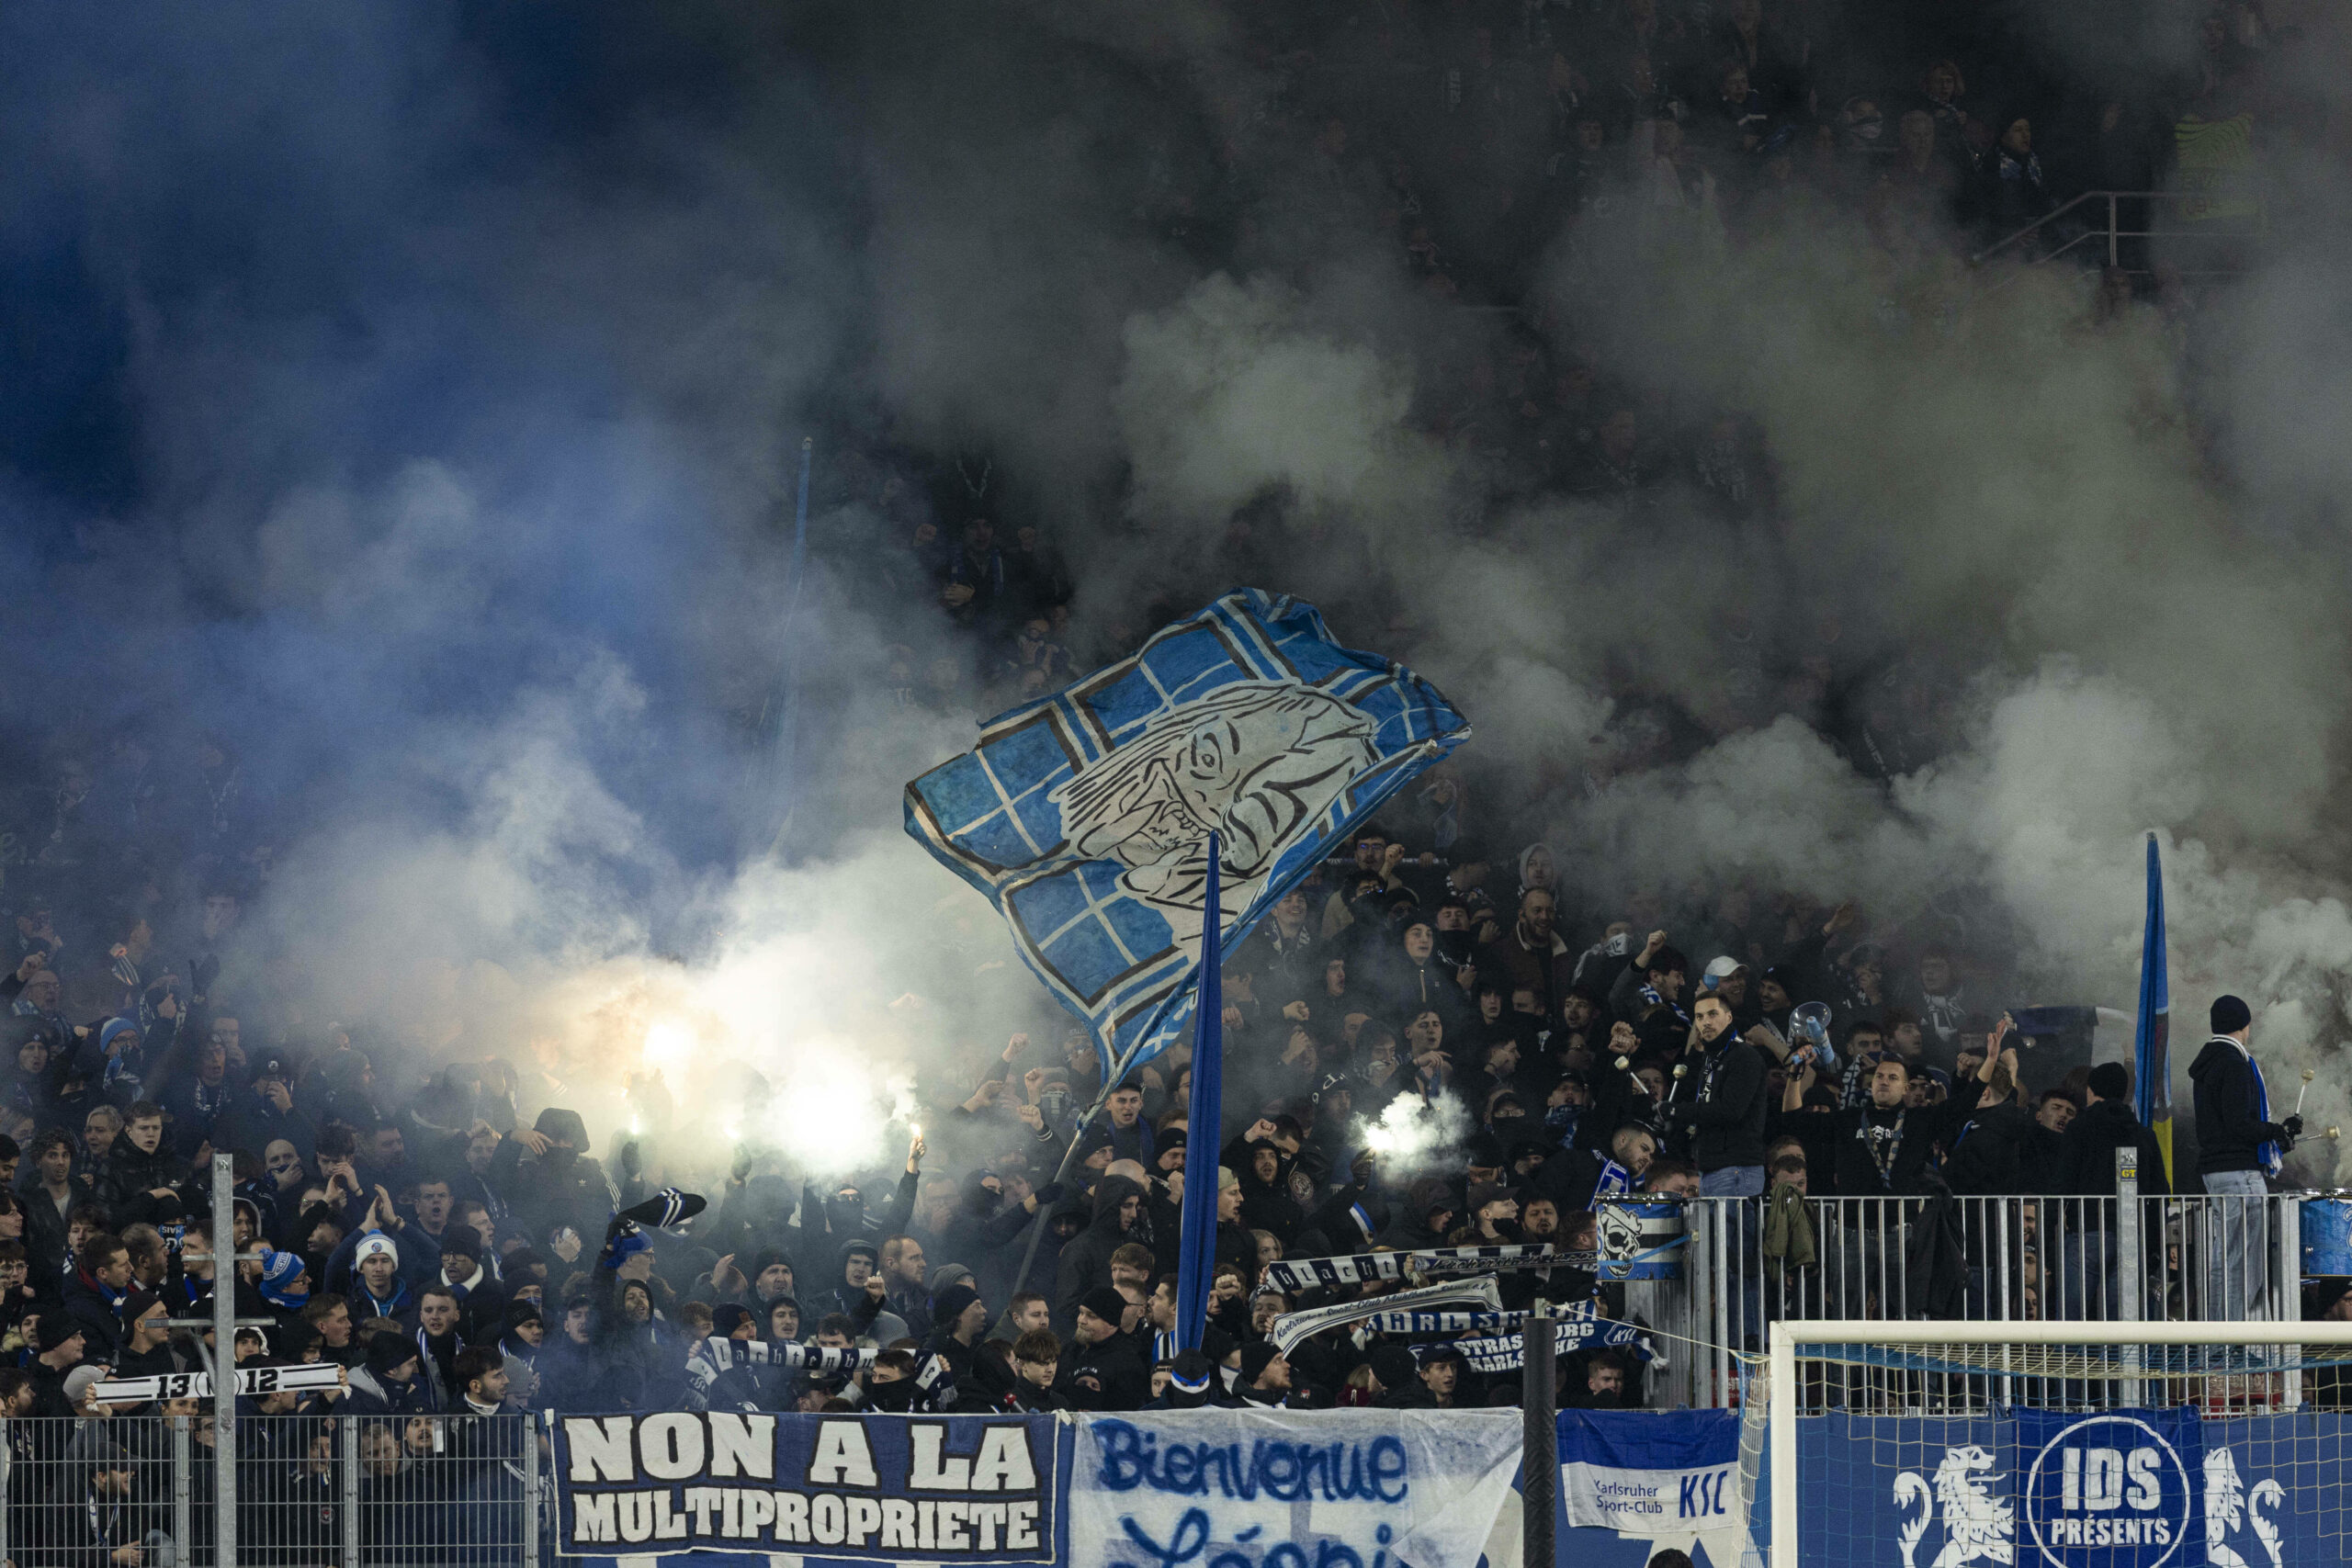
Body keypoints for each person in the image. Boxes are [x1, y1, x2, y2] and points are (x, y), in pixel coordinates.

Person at [2190, 995, 2299, 1320]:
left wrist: (2276, 1131)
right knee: (2244, 1260)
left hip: (2217, 1171)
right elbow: (2240, 1125)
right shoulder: (2234, 1064)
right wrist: (2274, 1130)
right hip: (2239, 1173)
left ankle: (2219, 1340)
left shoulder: (2209, 1062)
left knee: (2227, 1258)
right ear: (2244, 1025)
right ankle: (2233, 1345)